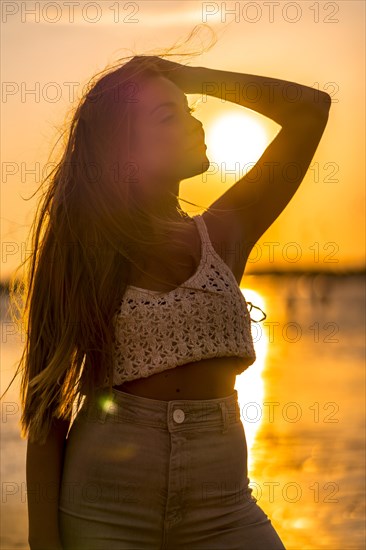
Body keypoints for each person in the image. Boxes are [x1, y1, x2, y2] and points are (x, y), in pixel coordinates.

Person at [4, 42, 331, 550]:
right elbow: (46, 406)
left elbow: (311, 110)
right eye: (167, 116)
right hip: (104, 510)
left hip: (224, 510)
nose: (194, 124)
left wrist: (192, 75)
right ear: (124, 149)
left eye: (191, 110)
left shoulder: (225, 233)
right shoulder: (83, 251)